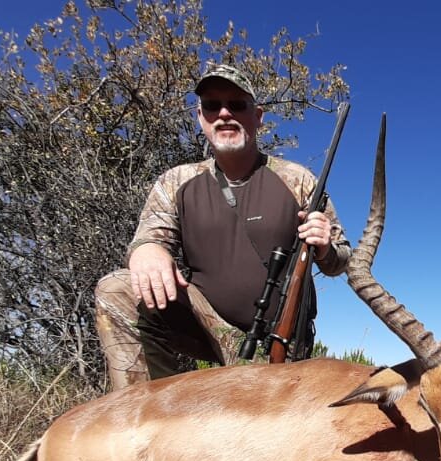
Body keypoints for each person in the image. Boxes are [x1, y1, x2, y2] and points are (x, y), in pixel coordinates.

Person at [94, 64, 350, 391]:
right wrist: (147, 250)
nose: (225, 113)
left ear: (257, 116)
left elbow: (342, 260)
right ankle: (144, 414)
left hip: (276, 343)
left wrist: (326, 247)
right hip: (207, 327)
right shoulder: (176, 181)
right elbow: (150, 236)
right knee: (117, 288)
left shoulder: (297, 180)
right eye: (213, 106)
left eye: (237, 105)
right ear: (201, 117)